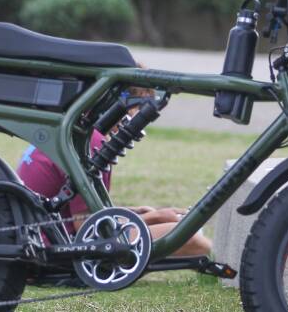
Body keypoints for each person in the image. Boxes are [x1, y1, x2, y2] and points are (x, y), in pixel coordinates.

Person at [17, 88, 214, 258]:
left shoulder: (75, 130)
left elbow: (78, 210)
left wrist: (135, 213)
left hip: (37, 237)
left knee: (169, 225)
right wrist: (154, 217)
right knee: (191, 239)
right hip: (54, 247)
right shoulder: (91, 143)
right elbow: (89, 229)